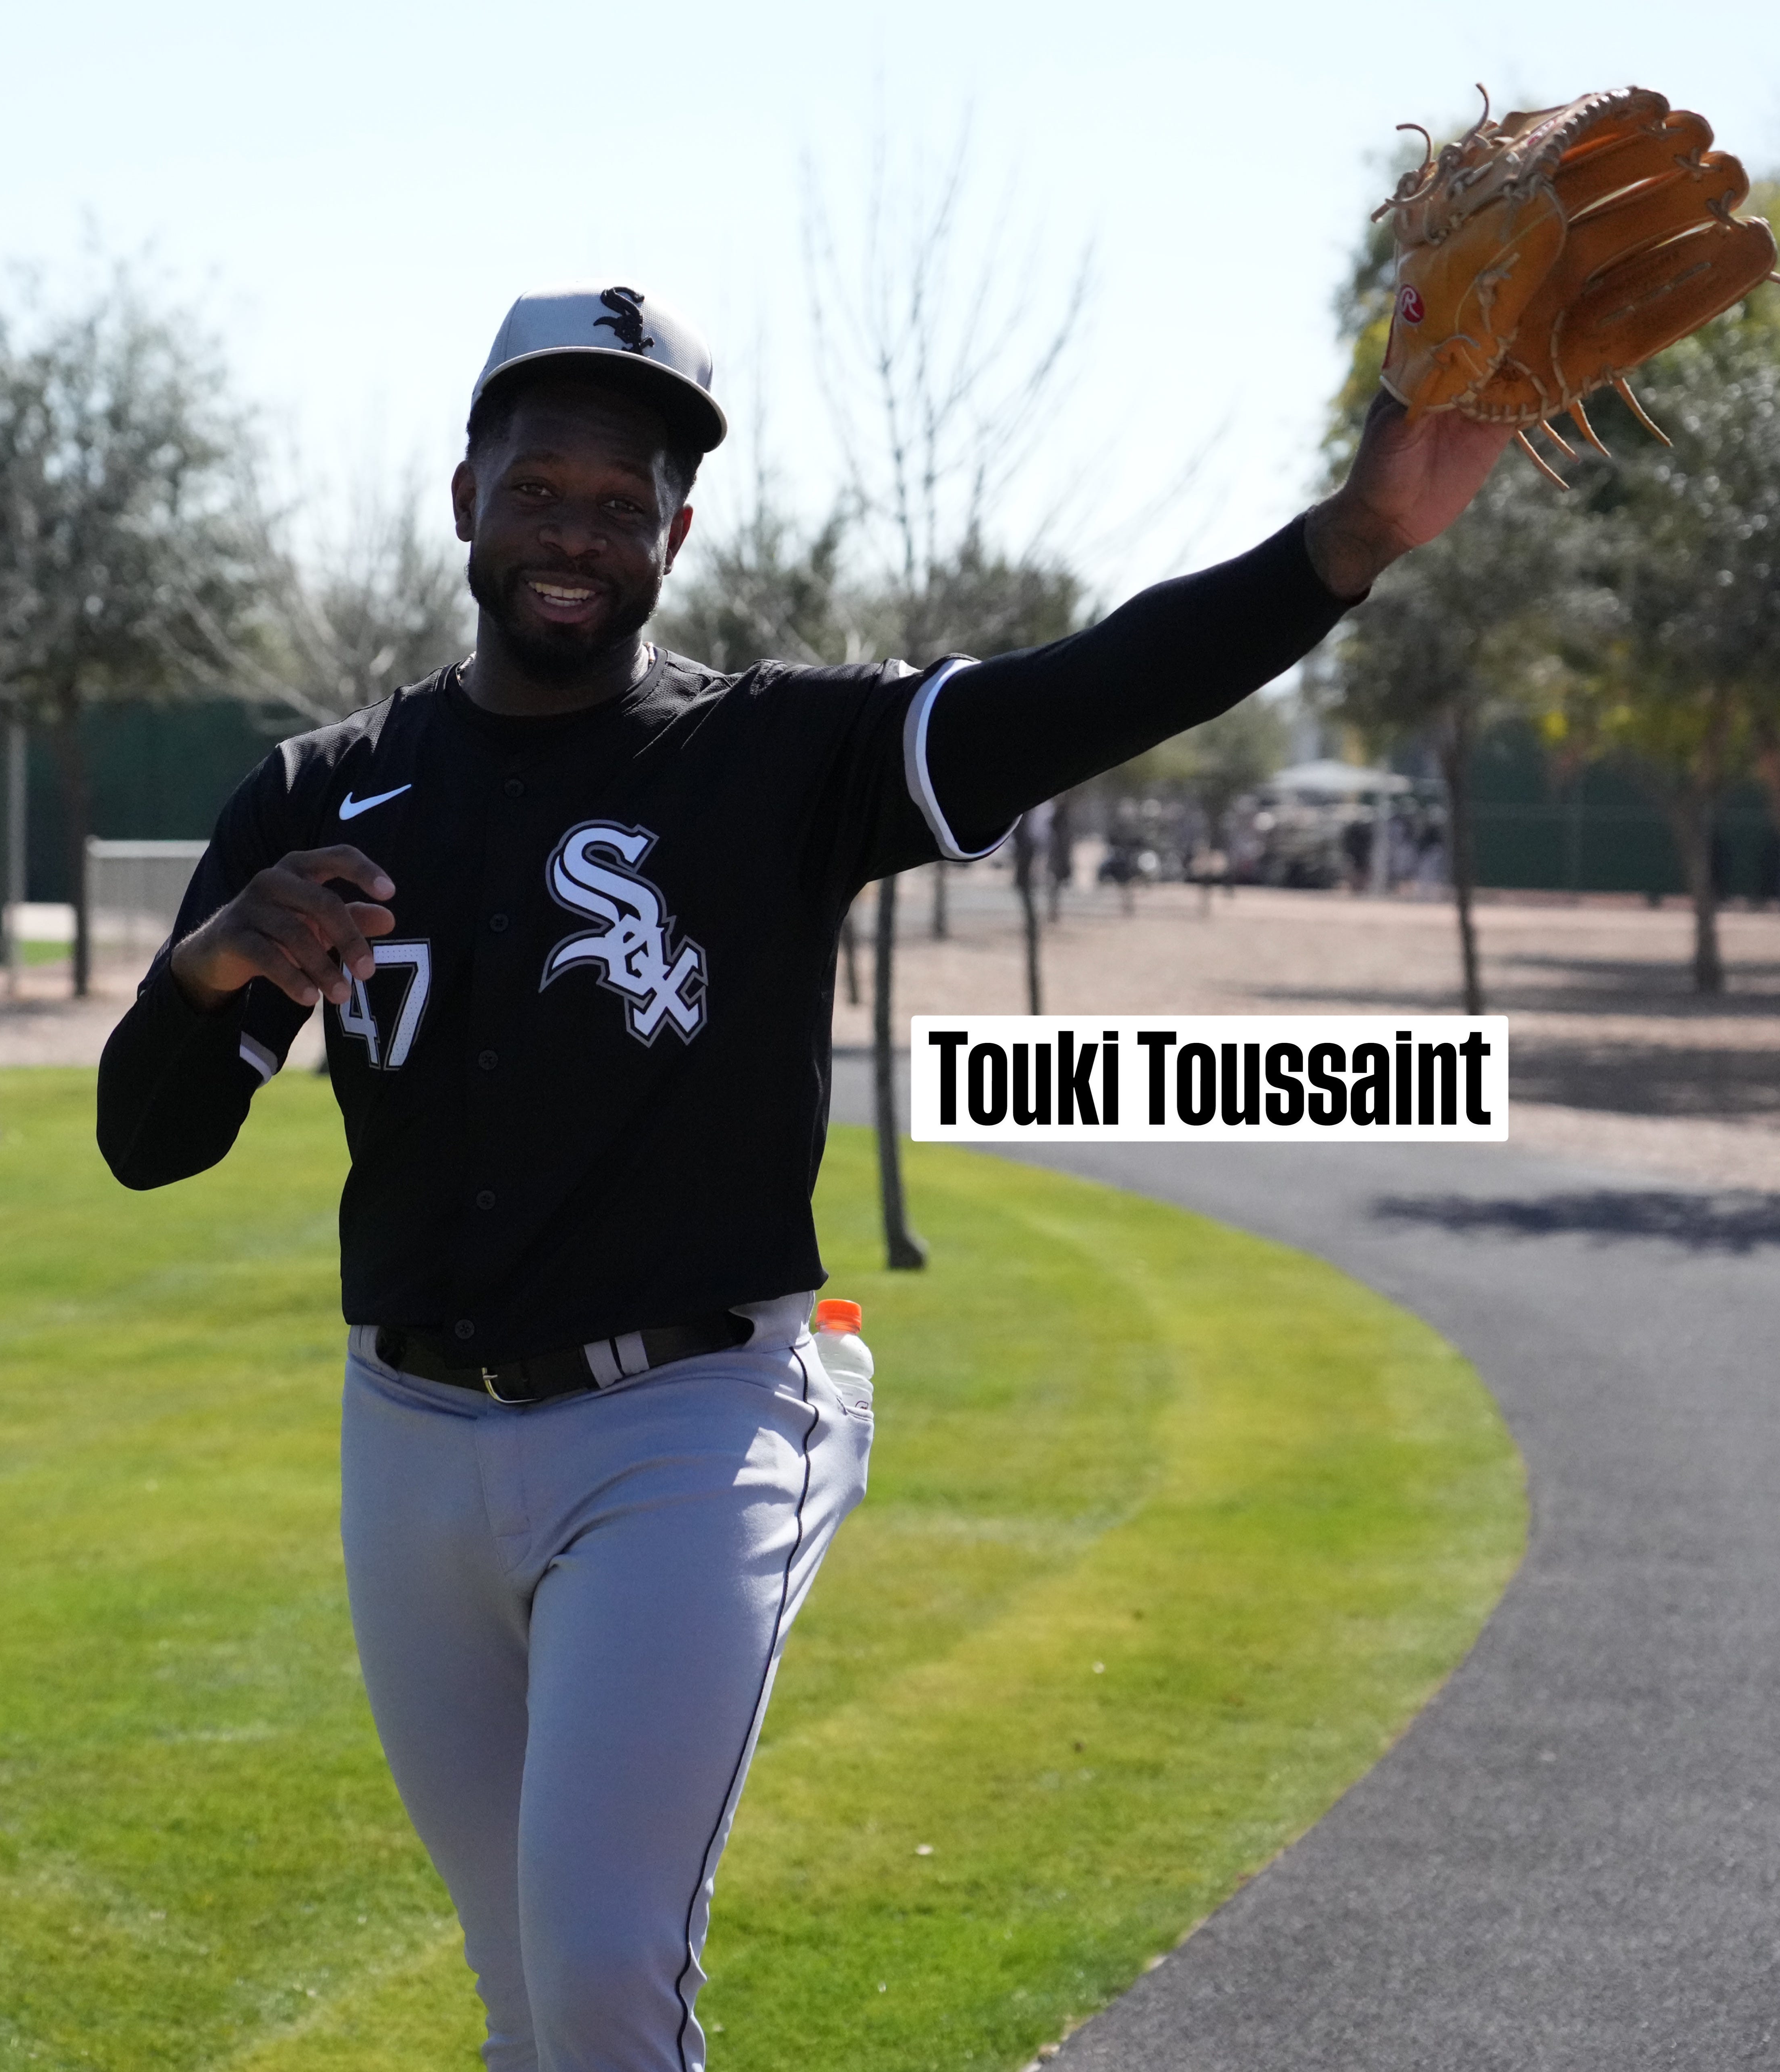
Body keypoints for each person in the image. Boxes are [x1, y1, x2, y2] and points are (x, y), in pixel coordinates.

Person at [96, 280, 1508, 2072]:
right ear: (464, 498)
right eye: (541, 488)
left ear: (675, 536)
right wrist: (209, 964)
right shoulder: (318, 796)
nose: (576, 533)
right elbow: (150, 1142)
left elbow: (1081, 694)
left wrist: (1349, 542)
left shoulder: (770, 755)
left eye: (623, 504)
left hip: (684, 1426)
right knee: (527, 1997)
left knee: (605, 1965)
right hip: (410, 1438)